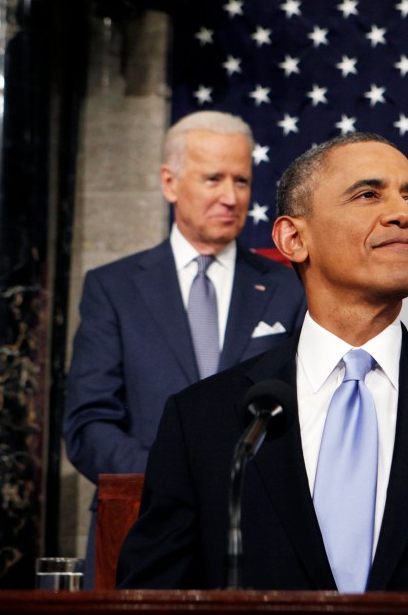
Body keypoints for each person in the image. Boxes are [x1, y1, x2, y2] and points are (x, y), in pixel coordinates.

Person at [116, 132, 408, 593]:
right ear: (293, 238)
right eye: (368, 194)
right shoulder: (204, 420)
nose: (405, 215)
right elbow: (152, 603)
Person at [63, 111, 306, 585]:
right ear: (169, 182)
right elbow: (89, 423)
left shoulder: (289, 287)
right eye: (213, 178)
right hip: (139, 528)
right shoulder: (112, 288)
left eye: (242, 180)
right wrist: (176, 480)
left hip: (258, 535)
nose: (231, 197)